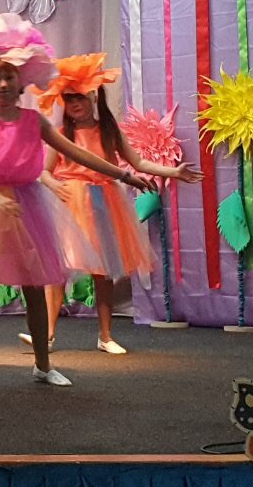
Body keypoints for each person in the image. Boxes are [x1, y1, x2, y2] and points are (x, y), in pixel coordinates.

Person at [0, 15, 153, 389]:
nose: (2, 84)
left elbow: (76, 152)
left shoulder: (34, 122)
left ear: (21, 80)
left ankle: (43, 364)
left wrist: (123, 175)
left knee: (34, 286)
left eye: (8, 76)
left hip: (27, 206)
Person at [25, 53, 202, 354]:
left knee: (103, 270)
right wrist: (54, 184)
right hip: (70, 205)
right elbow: (43, 170)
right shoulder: (61, 134)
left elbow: (138, 163)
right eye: (68, 98)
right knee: (58, 270)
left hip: (103, 203)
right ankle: (47, 334)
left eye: (80, 97)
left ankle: (105, 335)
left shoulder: (109, 131)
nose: (74, 104)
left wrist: (172, 172)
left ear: (93, 96)